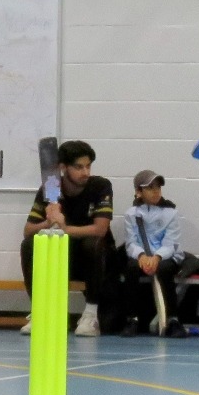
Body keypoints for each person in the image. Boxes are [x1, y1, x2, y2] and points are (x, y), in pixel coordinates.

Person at [21, 140, 118, 338]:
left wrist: (64, 228)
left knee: (93, 244)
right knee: (29, 245)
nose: (85, 172)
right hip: (64, 258)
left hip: (97, 260)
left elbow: (100, 229)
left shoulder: (100, 186)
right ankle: (41, 312)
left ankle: (91, 316)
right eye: (79, 167)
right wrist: (48, 222)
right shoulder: (50, 187)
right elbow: (28, 230)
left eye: (88, 166)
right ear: (63, 168)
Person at [120, 170, 188, 337]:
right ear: (138, 192)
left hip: (166, 255)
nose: (156, 191)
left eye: (158, 187)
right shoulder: (131, 214)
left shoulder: (171, 213)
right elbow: (131, 243)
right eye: (150, 188)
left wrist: (157, 257)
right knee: (131, 267)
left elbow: (170, 243)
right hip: (142, 256)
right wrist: (142, 256)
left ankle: (173, 320)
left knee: (165, 269)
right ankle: (132, 319)